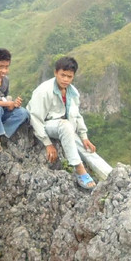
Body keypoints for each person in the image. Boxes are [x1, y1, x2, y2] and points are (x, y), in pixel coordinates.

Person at [27, 56, 98, 190]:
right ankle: (79, 169)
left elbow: (76, 115)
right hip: (45, 125)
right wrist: (47, 143)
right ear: (55, 73)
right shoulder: (44, 91)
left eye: (69, 76)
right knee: (65, 125)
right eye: (62, 75)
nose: (65, 79)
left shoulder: (72, 92)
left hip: (64, 126)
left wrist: (84, 137)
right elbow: (35, 118)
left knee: (72, 132)